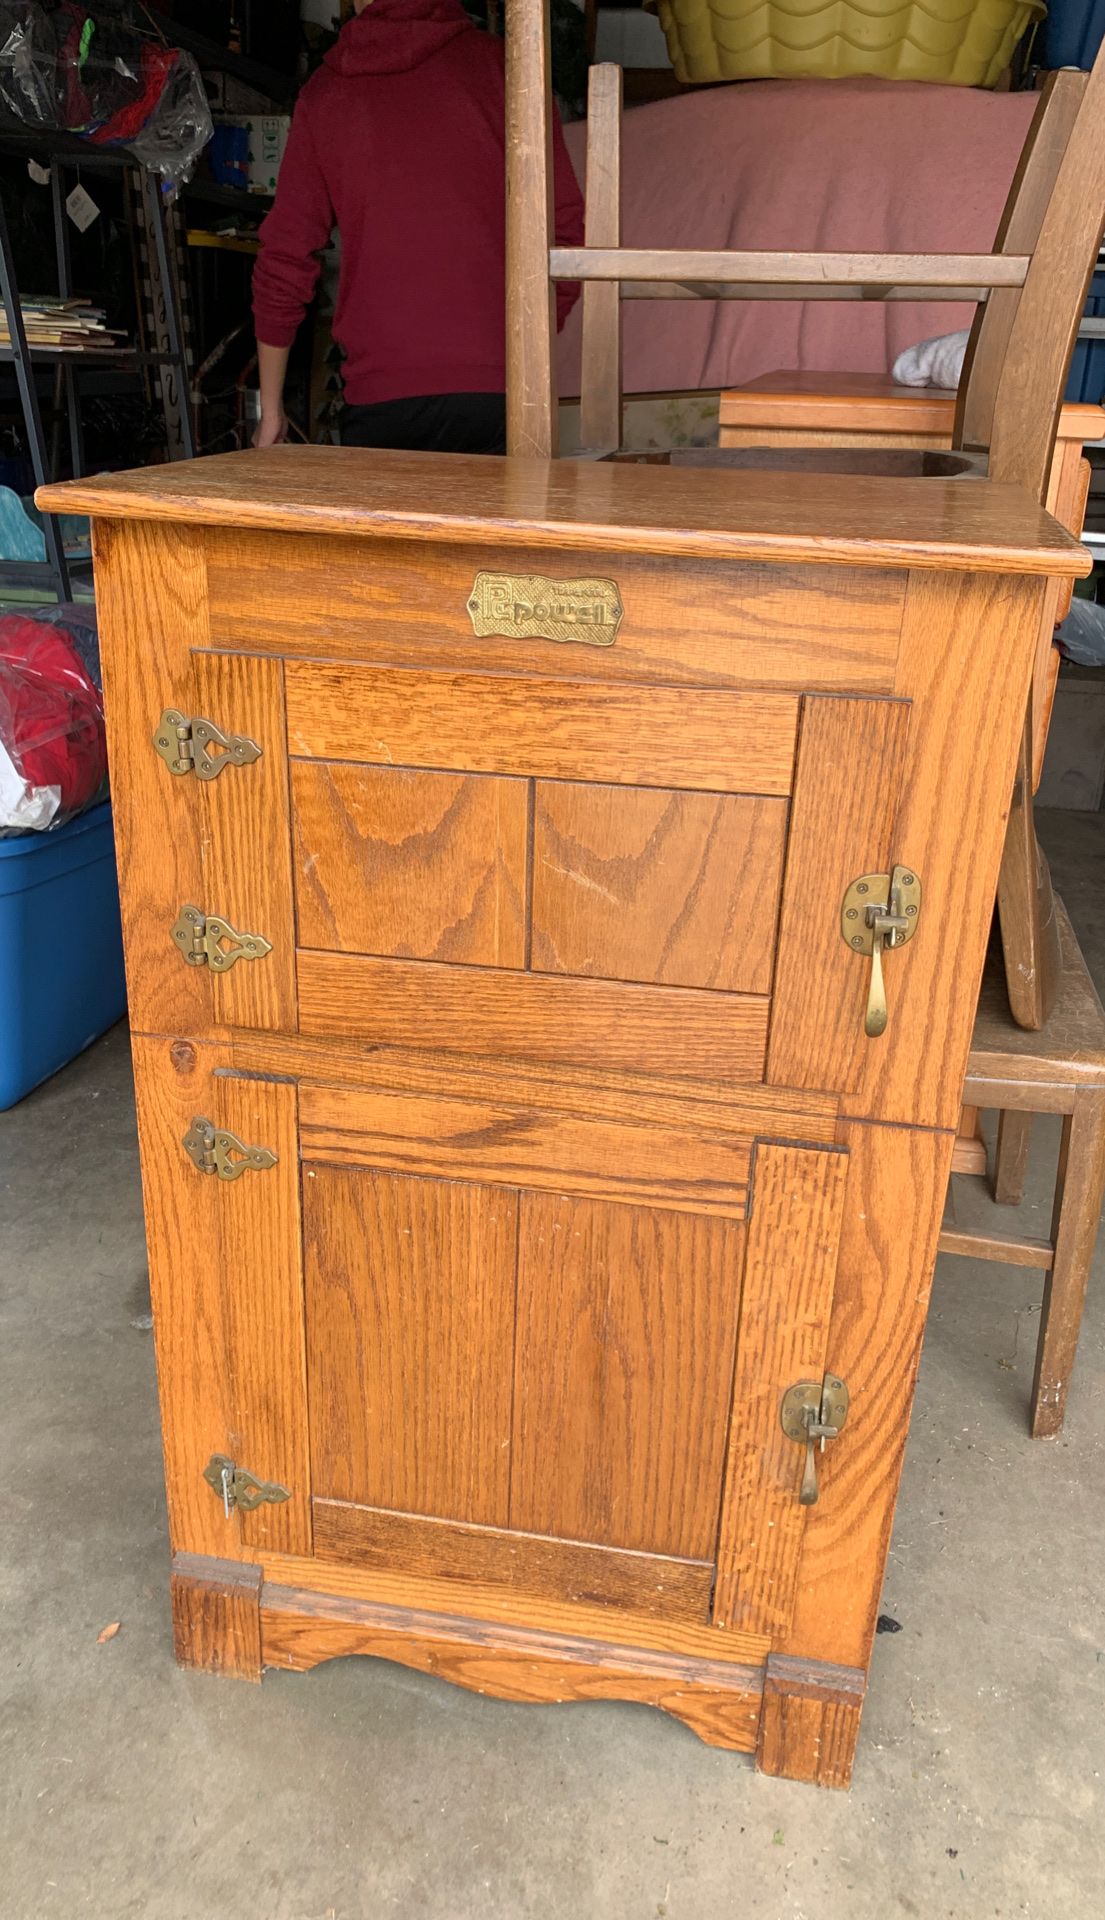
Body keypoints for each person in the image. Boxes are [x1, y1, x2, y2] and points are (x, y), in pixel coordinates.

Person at [251, 0, 584, 454]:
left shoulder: (325, 94)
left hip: (381, 398)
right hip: (500, 392)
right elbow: (566, 231)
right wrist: (526, 343)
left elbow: (285, 256)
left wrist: (270, 408)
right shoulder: (506, 71)